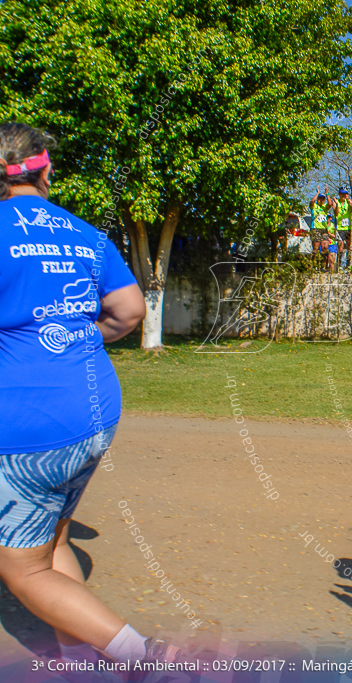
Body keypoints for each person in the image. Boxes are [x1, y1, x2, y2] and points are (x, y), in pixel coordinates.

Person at [0, 122, 185, 666]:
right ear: (46, 170)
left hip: (25, 422)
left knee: (21, 568)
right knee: (54, 543)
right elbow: (130, 313)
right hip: (92, 410)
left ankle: (144, 658)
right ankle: (81, 664)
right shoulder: (84, 232)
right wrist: (77, 337)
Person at [309, 186, 337, 271]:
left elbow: (330, 204)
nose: (321, 200)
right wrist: (317, 193)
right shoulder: (315, 207)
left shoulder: (325, 207)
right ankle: (314, 265)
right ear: (318, 199)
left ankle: (323, 266)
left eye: (323, 199)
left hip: (324, 229)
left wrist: (327, 193)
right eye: (320, 199)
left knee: (325, 247)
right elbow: (311, 202)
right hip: (316, 228)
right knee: (316, 248)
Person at [335, 187, 352, 271]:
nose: (344, 195)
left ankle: (349, 265)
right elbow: (336, 213)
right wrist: (337, 204)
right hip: (340, 228)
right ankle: (340, 265)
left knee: (349, 246)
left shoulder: (348, 202)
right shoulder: (337, 202)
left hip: (348, 228)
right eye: (342, 194)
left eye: (345, 194)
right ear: (340, 194)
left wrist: (349, 200)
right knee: (340, 247)